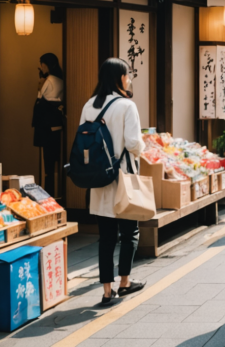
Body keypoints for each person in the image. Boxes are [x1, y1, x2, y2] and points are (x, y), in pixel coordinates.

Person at [82, 58, 146, 307]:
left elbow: (83, 140)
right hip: (123, 178)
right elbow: (132, 143)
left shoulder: (89, 105)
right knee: (130, 231)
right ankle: (125, 282)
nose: (129, 78)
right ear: (120, 78)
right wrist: (143, 146)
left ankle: (106, 291)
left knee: (106, 236)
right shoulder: (126, 106)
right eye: (127, 74)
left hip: (98, 178)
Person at [33, 53, 65, 197]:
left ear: (46, 64)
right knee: (56, 161)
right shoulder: (61, 80)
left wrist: (40, 83)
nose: (41, 67)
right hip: (57, 125)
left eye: (42, 64)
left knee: (47, 164)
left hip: (45, 126)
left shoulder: (49, 80)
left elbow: (39, 100)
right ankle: (57, 193)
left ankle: (47, 193)